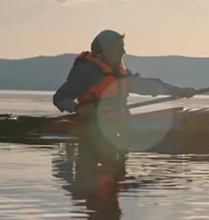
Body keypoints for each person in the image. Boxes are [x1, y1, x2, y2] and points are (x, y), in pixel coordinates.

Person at [53, 29, 196, 166]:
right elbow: (60, 97)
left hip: (118, 133)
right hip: (91, 132)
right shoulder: (86, 71)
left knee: (117, 178)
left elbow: (148, 85)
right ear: (106, 50)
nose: (124, 52)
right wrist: (77, 108)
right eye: (119, 47)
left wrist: (179, 91)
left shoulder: (122, 73)